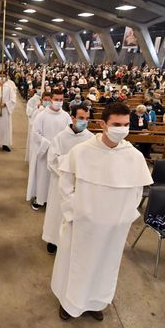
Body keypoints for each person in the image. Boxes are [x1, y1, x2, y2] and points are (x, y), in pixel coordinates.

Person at [51, 102, 152, 321]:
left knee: (105, 266)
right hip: (82, 223)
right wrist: (75, 212)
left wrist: (123, 218)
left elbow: (136, 192)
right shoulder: (82, 151)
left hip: (113, 228)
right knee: (75, 264)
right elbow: (65, 186)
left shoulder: (133, 156)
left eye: (126, 124)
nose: (122, 129)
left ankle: (95, 301)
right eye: (116, 124)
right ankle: (69, 303)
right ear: (102, 124)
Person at [42, 105, 94, 254]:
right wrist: (71, 167)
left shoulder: (90, 138)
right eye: (81, 118)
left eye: (87, 118)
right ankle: (53, 239)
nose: (84, 121)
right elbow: (52, 160)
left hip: (81, 183)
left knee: (75, 213)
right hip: (60, 181)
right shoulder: (60, 137)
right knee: (57, 211)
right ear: (73, 118)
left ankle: (71, 242)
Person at [27, 89, 72, 210]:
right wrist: (48, 144)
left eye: (61, 100)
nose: (59, 102)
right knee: (43, 177)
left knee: (56, 178)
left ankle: (51, 201)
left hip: (60, 154)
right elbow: (35, 134)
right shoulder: (42, 115)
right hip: (45, 151)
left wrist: (61, 147)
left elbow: (69, 133)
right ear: (51, 99)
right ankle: (39, 199)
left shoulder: (66, 116)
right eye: (56, 99)